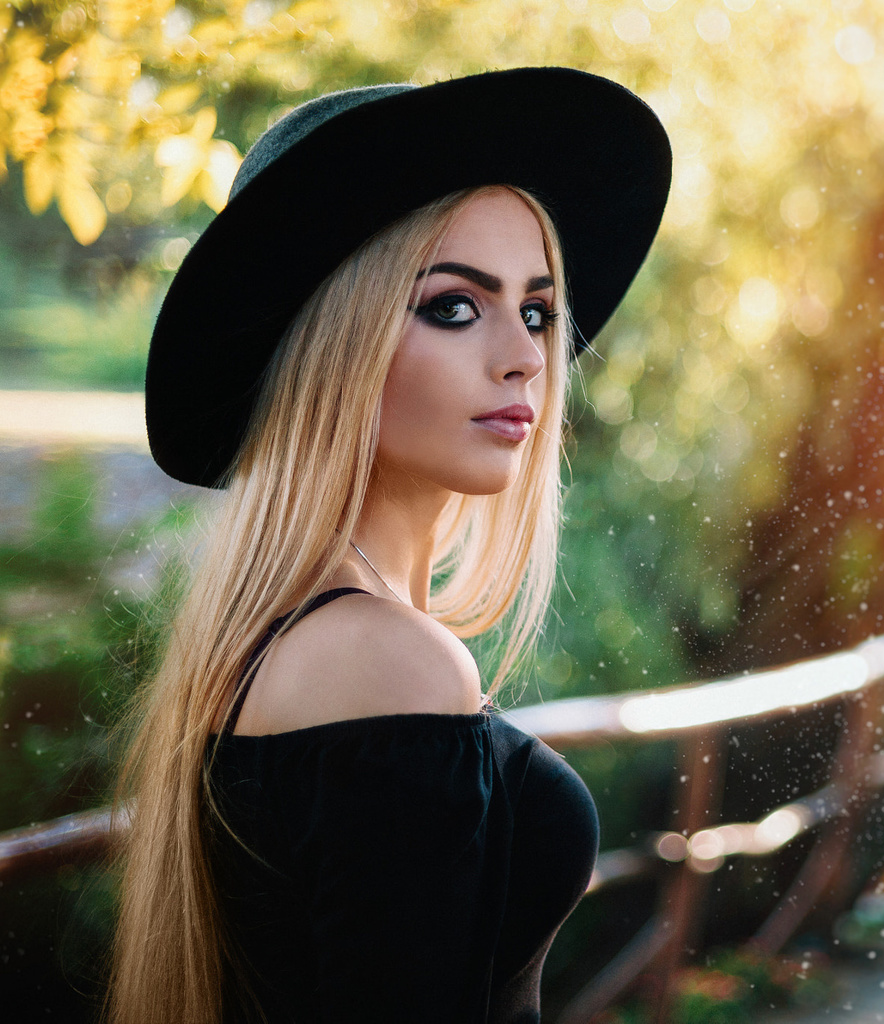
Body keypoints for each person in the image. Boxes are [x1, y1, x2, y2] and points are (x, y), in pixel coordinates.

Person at [107, 67, 671, 1023]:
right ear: (335, 341)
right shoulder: (383, 662)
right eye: (455, 305)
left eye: (536, 309)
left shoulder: (297, 641)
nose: (529, 354)